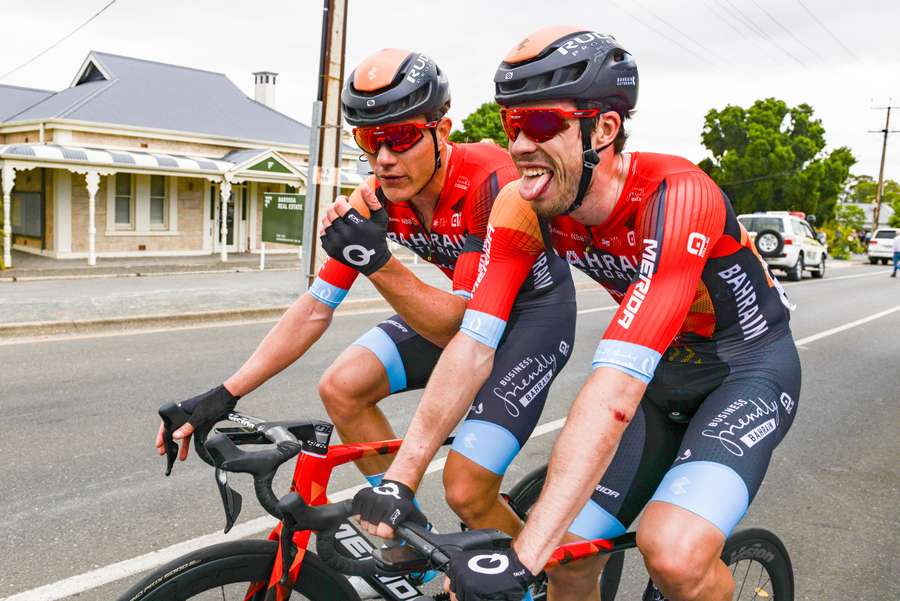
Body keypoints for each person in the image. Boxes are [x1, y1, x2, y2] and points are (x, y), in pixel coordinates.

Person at [353, 27, 801, 601]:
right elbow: (473, 341)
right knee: (568, 558)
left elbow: (614, 387)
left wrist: (522, 559)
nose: (519, 146)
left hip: (745, 372)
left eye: (541, 125)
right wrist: (400, 480)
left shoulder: (679, 193)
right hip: (662, 379)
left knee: (673, 553)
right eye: (512, 125)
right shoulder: (525, 202)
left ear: (604, 129)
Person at [153, 49, 524, 531]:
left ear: (442, 131)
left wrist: (378, 262)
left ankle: (541, 580)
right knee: (341, 386)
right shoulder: (374, 198)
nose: (384, 159)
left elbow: (457, 322)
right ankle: (408, 532)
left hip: (525, 322)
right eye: (370, 141)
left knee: (467, 491)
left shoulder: (488, 180)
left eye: (402, 137)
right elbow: (315, 308)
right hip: (464, 324)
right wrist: (224, 393)